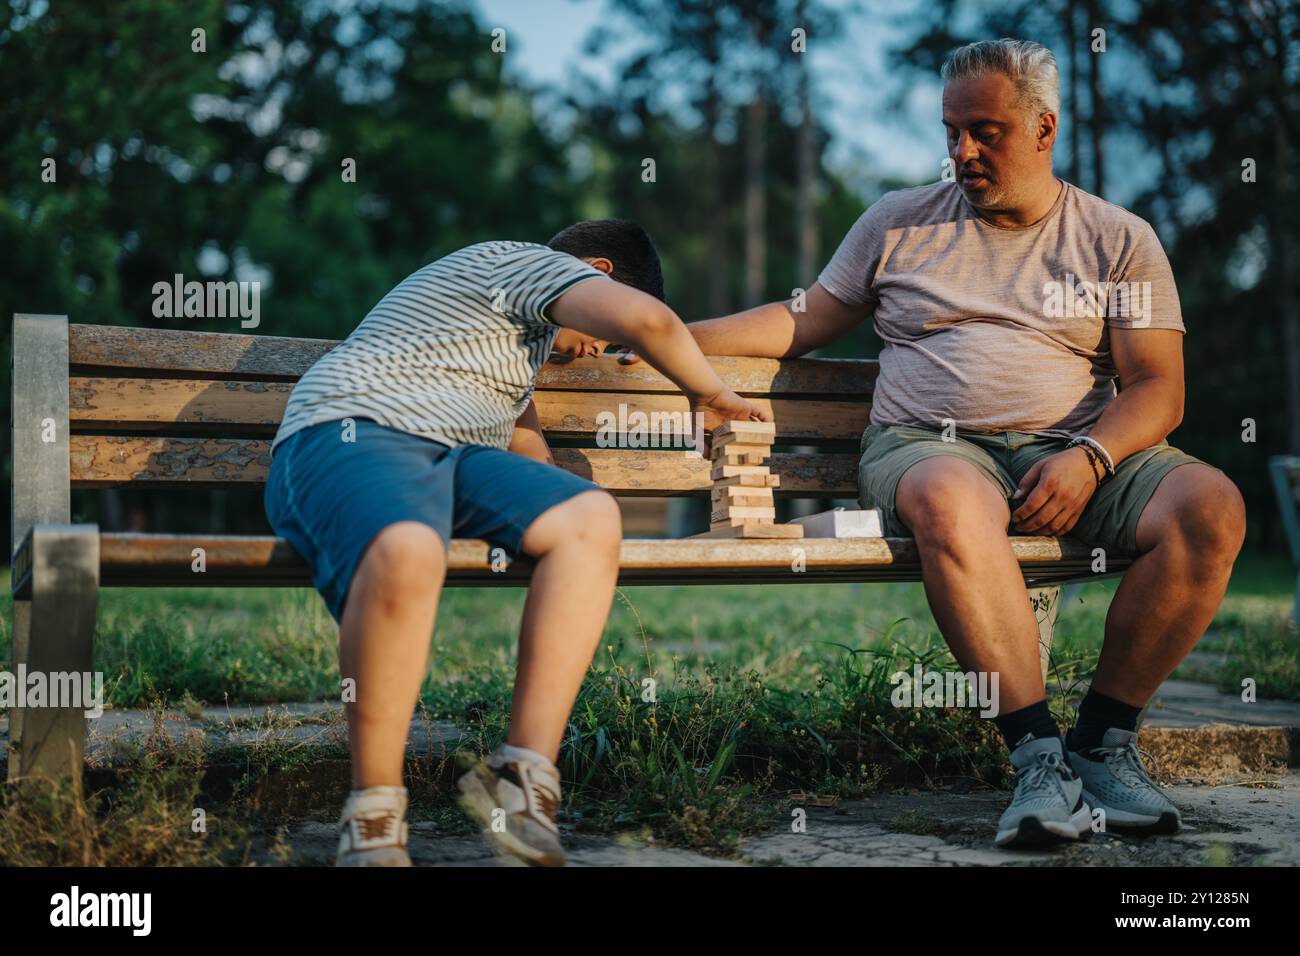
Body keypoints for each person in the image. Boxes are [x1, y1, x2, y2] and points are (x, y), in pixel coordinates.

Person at [627, 39, 1246, 847]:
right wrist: (665, 336)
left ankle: (1101, 745)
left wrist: (1092, 457)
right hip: (927, 446)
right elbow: (804, 317)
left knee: (1211, 508)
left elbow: (1159, 387)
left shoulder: (1117, 238)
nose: (962, 152)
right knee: (952, 503)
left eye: (985, 131)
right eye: (951, 131)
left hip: (1080, 449)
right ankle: (1037, 764)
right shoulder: (897, 221)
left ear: (1043, 128)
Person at [263, 219, 768, 866]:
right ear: (597, 274)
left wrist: (558, 530)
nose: (596, 350)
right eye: (600, 339)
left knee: (589, 519)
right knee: (409, 549)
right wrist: (712, 393)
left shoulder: (509, 354)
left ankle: (521, 775)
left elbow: (529, 456)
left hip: (452, 454)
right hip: (353, 428)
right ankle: (375, 815)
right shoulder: (519, 262)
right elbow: (653, 323)